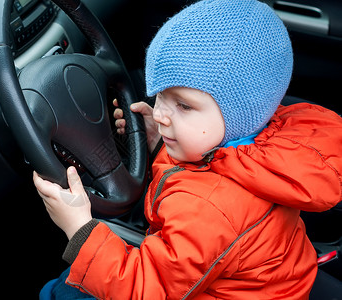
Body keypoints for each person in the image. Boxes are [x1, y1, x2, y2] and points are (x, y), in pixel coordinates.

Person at [33, 0, 342, 298]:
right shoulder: (256, 147)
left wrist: (79, 228)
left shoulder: (209, 208)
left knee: (62, 291)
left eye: (182, 105)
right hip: (263, 282)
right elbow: (209, 165)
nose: (159, 114)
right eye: (160, 95)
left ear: (239, 114)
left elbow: (145, 289)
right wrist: (156, 144)